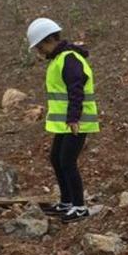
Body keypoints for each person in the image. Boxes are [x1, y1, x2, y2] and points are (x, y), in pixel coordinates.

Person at [27, 17, 99, 223]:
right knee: (56, 159)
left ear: (48, 40)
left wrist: (74, 118)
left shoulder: (69, 59)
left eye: (40, 47)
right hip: (66, 122)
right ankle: (67, 202)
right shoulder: (59, 60)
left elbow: (76, 90)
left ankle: (79, 207)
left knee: (67, 161)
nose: (40, 52)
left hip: (77, 121)